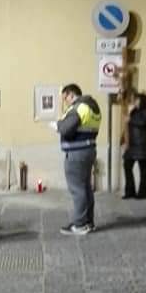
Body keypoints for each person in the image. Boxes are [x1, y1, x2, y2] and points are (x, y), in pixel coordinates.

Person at [52, 83, 101, 235]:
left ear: (70, 94)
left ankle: (79, 224)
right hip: (88, 150)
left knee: (77, 189)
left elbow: (66, 129)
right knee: (85, 188)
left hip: (76, 153)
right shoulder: (93, 107)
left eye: (64, 97)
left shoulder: (79, 108)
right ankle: (88, 222)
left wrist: (57, 125)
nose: (64, 101)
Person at [123, 91, 146, 199]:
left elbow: (143, 122)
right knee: (127, 166)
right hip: (132, 145)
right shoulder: (134, 111)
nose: (134, 102)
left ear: (142, 100)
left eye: (137, 100)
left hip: (142, 144)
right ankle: (129, 191)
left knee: (143, 168)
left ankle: (143, 192)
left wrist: (130, 119)